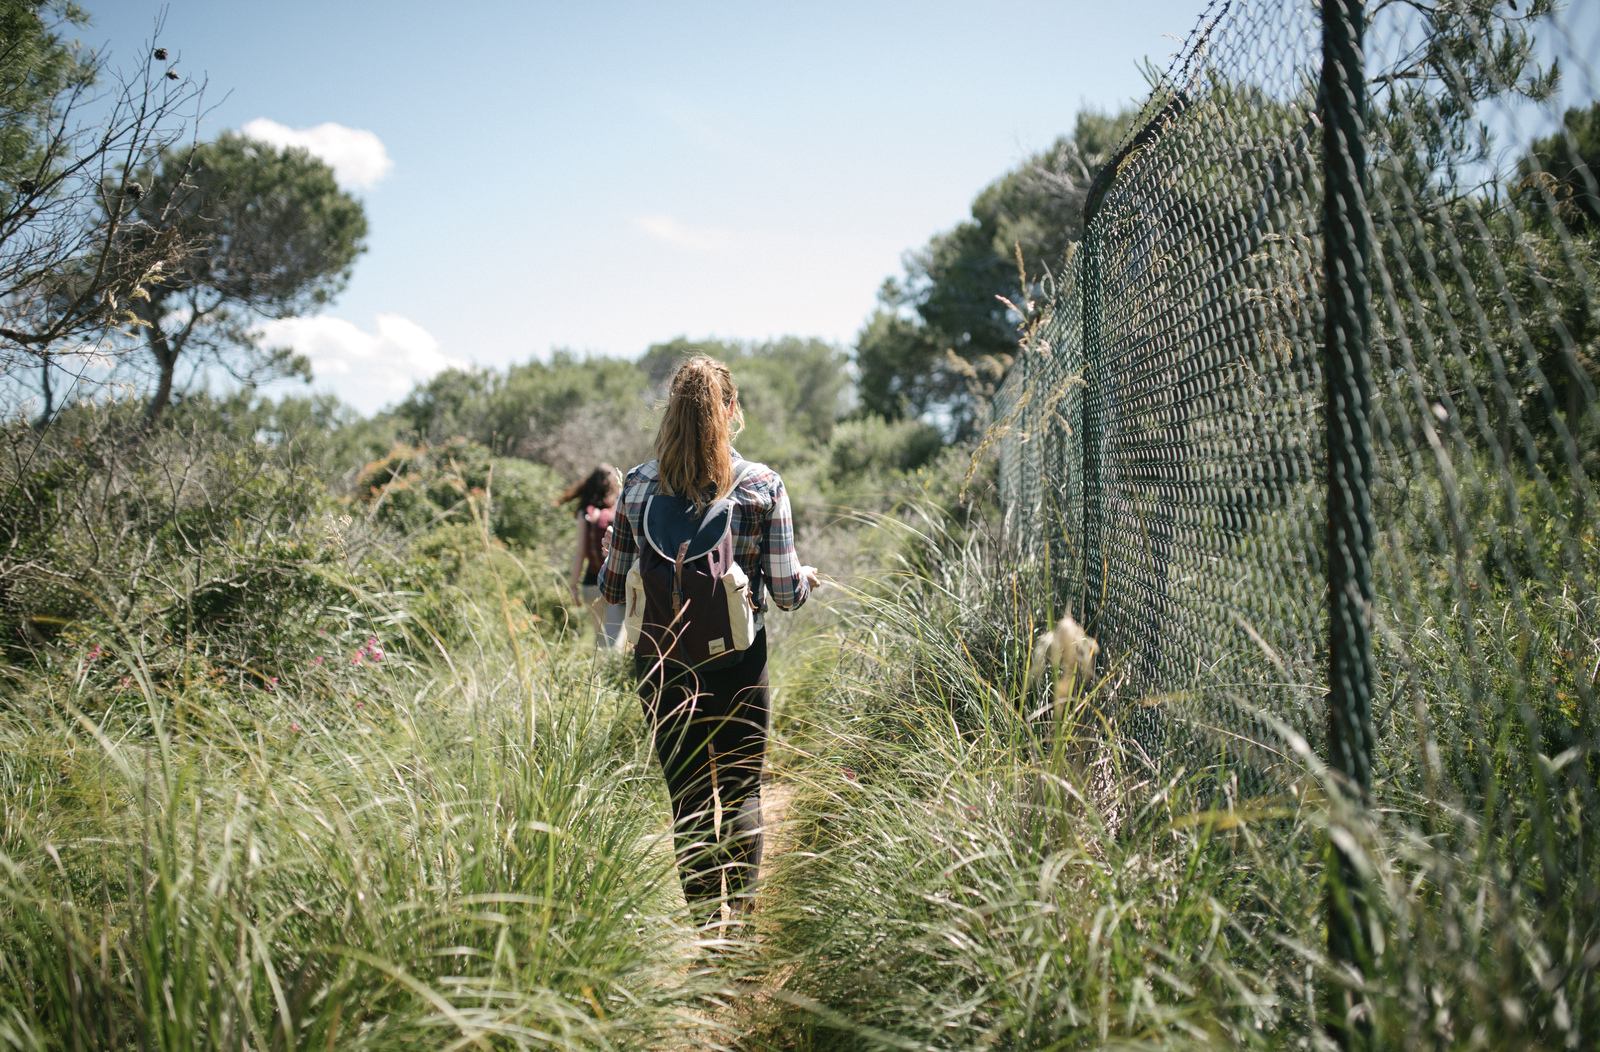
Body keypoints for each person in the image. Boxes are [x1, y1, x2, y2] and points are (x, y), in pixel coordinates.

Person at [597, 355, 818, 930]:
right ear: (732, 410)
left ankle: (706, 936)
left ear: (671, 413)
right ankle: (740, 930)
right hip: (739, 662)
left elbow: (613, 587)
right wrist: (803, 579)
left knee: (690, 800)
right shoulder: (762, 486)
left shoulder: (638, 486)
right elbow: (787, 594)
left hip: (663, 664)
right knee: (742, 790)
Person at [558, 464, 625, 648]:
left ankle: (599, 666)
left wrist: (573, 585)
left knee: (601, 638)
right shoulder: (621, 509)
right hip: (616, 583)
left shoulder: (585, 513)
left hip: (591, 585)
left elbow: (580, 553)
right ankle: (613, 667)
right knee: (614, 641)